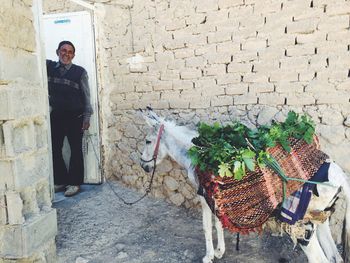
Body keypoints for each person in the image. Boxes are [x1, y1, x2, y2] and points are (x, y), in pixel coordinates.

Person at [47, 40, 93, 197]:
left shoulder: (80, 72)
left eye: (70, 52)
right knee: (54, 149)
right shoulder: (49, 68)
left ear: (73, 55)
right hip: (56, 117)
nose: (66, 54)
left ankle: (74, 183)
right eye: (63, 50)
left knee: (75, 150)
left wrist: (86, 117)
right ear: (57, 52)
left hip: (76, 117)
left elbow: (87, 96)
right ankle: (60, 181)